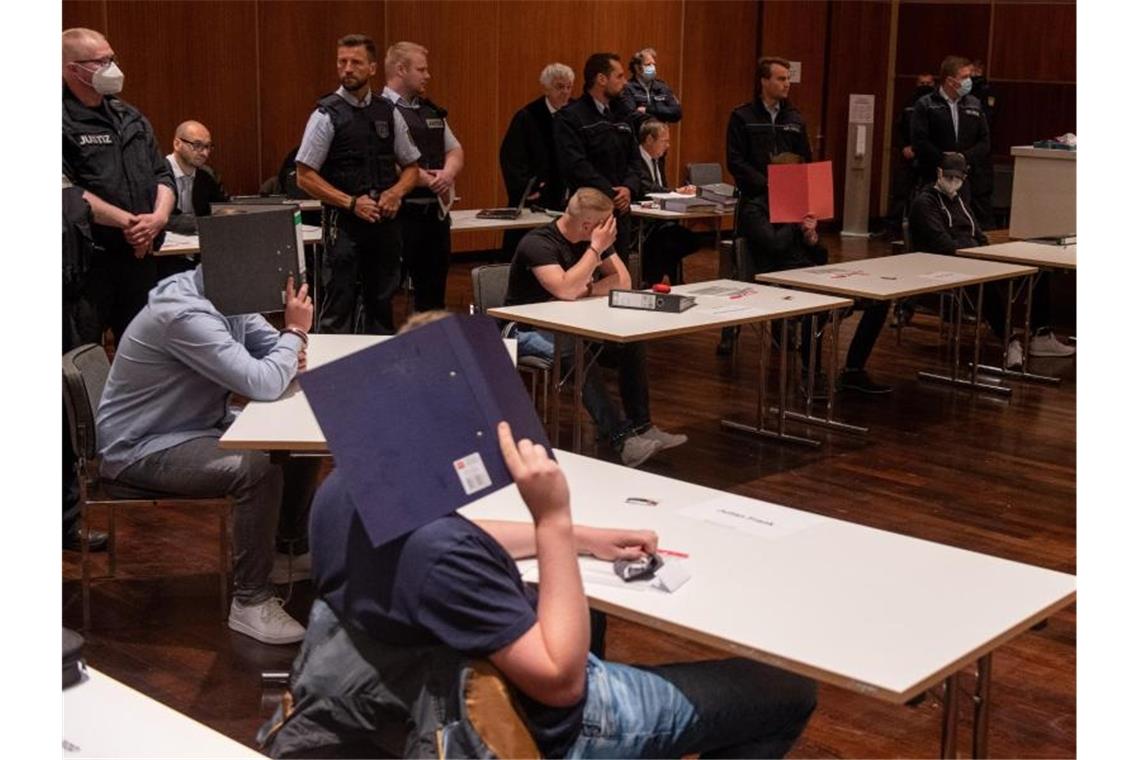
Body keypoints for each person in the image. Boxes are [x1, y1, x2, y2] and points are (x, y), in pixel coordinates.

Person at [285, 417, 816, 758]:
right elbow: (563, 683)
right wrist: (553, 519)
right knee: (786, 693)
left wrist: (583, 539)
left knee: (595, 615)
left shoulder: (341, 494)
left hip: (402, 692)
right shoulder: (443, 555)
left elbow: (461, 538)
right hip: (543, 718)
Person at [95, 268, 320, 644]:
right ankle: (250, 601)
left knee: (296, 438)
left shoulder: (227, 291)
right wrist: (295, 333)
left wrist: (286, 349)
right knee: (256, 466)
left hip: (194, 425)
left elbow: (271, 355)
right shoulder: (184, 314)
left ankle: (287, 551)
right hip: (142, 446)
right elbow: (263, 380)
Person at [504, 188, 686, 467]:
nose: (613, 228)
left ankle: (642, 426)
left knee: (630, 341)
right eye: (607, 222)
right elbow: (565, 288)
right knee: (573, 350)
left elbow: (622, 281)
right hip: (523, 329)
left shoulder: (595, 238)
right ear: (588, 225)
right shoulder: (538, 243)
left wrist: (584, 288)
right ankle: (622, 439)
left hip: (571, 322)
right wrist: (594, 252)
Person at [295, 34, 421, 335]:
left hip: (385, 224)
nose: (347, 69)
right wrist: (351, 202)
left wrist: (396, 192)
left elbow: (412, 168)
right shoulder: (326, 115)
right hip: (345, 226)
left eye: (356, 62)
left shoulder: (388, 112)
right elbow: (304, 176)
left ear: (373, 68)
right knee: (339, 305)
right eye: (342, 62)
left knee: (382, 303)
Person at [62, 27, 176, 344]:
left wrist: (157, 219)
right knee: (83, 363)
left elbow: (162, 174)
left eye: (112, 58)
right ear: (73, 69)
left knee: (145, 356)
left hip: (139, 257)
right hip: (89, 264)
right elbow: (66, 192)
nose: (112, 68)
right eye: (101, 62)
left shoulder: (129, 116)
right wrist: (130, 223)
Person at [909, 153, 1074, 368]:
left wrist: (984, 253)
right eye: (948, 177)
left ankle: (1041, 335)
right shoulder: (925, 203)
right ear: (939, 173)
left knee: (1038, 271)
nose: (952, 182)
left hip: (974, 257)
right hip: (944, 263)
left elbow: (979, 234)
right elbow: (942, 244)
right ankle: (1010, 341)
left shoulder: (959, 201)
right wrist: (976, 254)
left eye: (957, 178)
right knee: (986, 282)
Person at [383, 41, 465, 314]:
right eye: (422, 69)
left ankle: (431, 350)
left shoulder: (431, 111)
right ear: (400, 69)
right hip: (398, 216)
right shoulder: (378, 110)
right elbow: (385, 162)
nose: (427, 76)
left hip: (435, 217)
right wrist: (427, 180)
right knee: (386, 294)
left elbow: (454, 149)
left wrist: (448, 173)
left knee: (433, 297)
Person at [555, 52, 642, 263]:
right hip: (586, 215)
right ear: (602, 79)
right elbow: (575, 165)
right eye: (619, 76)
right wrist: (610, 193)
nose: (625, 83)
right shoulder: (570, 116)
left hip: (619, 213)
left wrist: (629, 188)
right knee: (585, 278)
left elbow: (635, 160)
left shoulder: (623, 115)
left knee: (618, 277)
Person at [498, 62, 575, 261]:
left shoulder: (576, 113)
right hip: (538, 197)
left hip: (569, 196)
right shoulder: (528, 116)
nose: (565, 92)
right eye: (560, 87)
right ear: (546, 88)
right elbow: (511, 157)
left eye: (569, 86)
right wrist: (525, 187)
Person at [911, 55, 994, 230]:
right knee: (932, 223)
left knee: (961, 222)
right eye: (964, 77)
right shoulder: (926, 104)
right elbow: (919, 140)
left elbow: (984, 141)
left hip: (964, 176)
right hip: (933, 174)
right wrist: (944, 160)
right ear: (950, 81)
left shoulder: (974, 104)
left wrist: (963, 159)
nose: (969, 81)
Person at [635, 119, 700, 286]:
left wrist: (678, 193)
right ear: (649, 139)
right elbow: (645, 187)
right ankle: (658, 280)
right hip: (642, 223)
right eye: (665, 141)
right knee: (669, 242)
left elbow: (660, 187)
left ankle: (667, 279)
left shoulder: (658, 160)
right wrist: (674, 192)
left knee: (688, 240)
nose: (668, 146)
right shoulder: (634, 159)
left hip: (661, 220)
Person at [160, 120, 229, 278]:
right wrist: (193, 223)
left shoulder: (208, 176)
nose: (204, 153)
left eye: (207, 147)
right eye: (197, 145)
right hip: (160, 261)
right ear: (177, 144)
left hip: (199, 259)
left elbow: (222, 210)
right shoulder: (156, 173)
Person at [885, 72, 936, 236]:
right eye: (922, 83)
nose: (925, 86)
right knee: (900, 193)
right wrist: (904, 146)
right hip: (907, 155)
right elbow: (899, 129)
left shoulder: (937, 105)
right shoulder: (908, 103)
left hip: (927, 156)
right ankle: (893, 229)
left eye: (928, 83)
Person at [620, 46, 682, 131]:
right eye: (648, 64)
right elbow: (631, 116)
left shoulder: (662, 87)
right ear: (637, 68)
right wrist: (662, 114)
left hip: (659, 137)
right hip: (636, 139)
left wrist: (647, 110)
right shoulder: (628, 88)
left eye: (654, 64)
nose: (652, 68)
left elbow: (676, 113)